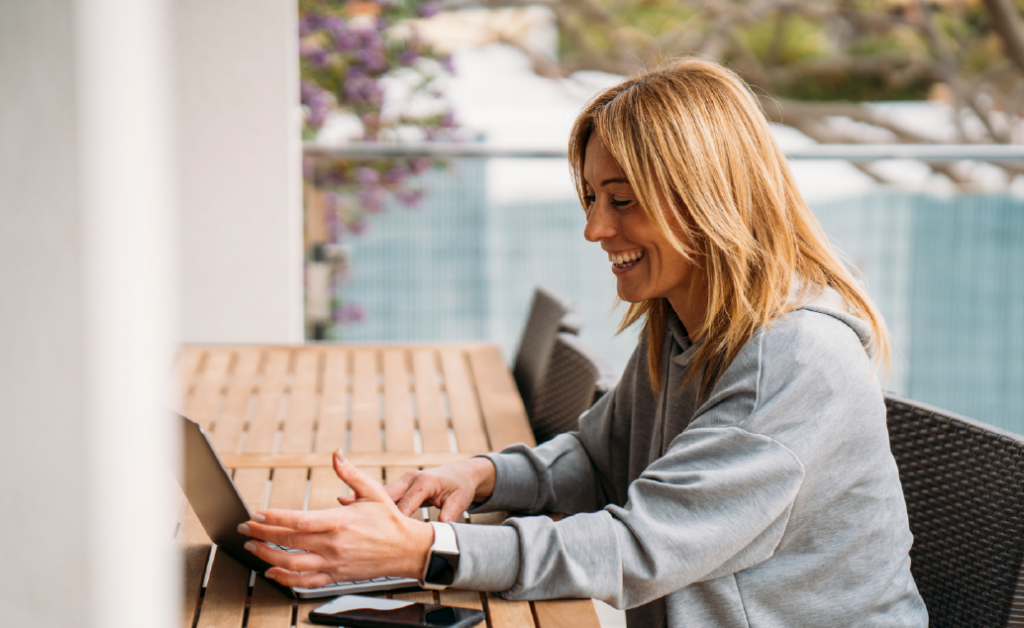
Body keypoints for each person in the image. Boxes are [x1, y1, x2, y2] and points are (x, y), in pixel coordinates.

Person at [237, 59, 928, 627]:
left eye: (621, 200)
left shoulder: (794, 360)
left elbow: (638, 546)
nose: (595, 230)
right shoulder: (688, 322)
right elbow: (599, 461)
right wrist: (476, 476)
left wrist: (426, 550)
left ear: (709, 195)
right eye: (592, 199)